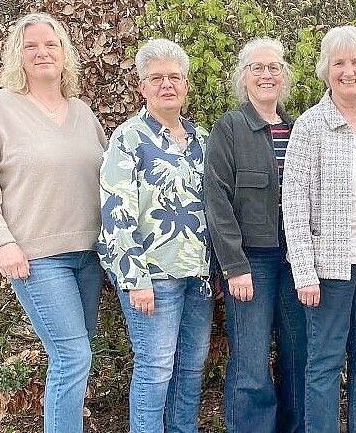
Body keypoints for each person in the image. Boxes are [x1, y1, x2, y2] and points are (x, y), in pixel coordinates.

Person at [0, 12, 106, 433]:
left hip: (89, 256)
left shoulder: (83, 112)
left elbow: (109, 180)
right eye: (31, 46)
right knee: (73, 356)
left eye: (50, 45)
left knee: (74, 357)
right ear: (18, 55)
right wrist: (0, 240)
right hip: (36, 257)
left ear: (65, 55)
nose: (42, 52)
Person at [281, 25, 356, 433]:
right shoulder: (310, 126)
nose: (348, 71)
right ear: (325, 70)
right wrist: (304, 272)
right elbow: (294, 203)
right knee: (325, 361)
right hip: (329, 269)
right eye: (339, 63)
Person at [97, 38, 212, 433]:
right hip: (151, 278)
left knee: (192, 368)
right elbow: (117, 210)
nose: (167, 85)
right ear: (142, 86)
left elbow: (215, 209)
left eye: (175, 77)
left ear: (185, 85)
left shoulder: (201, 141)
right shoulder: (128, 138)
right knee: (156, 367)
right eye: (157, 78)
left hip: (197, 278)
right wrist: (134, 279)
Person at [204, 37, 307, 433]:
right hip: (251, 264)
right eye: (257, 68)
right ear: (243, 77)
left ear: (284, 77)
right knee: (250, 363)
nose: (267, 74)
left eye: (274, 67)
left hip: (296, 261)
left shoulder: (299, 129)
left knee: (298, 358)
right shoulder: (229, 128)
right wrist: (234, 265)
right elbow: (217, 200)